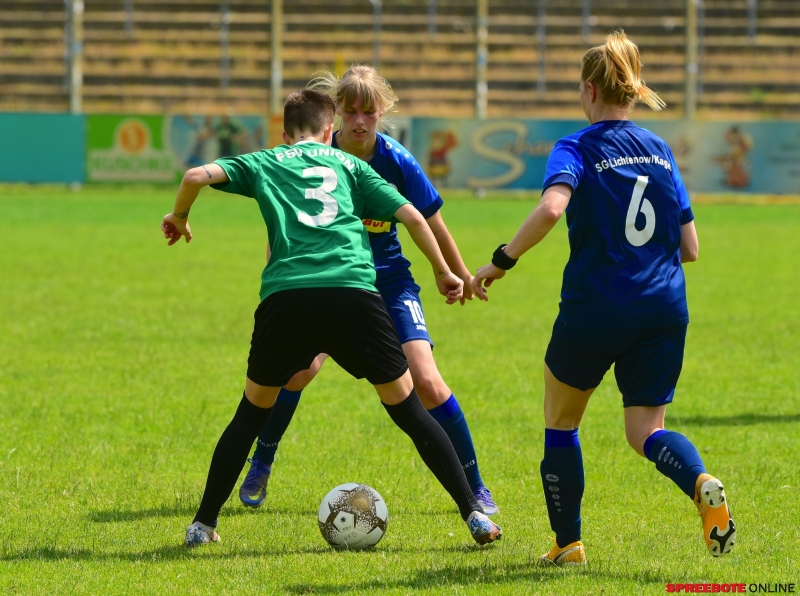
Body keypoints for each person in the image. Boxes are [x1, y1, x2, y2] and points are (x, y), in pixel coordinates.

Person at [161, 89, 502, 547]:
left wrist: (179, 216)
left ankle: (202, 525)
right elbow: (413, 217)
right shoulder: (351, 165)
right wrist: (442, 271)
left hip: (287, 298)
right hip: (352, 295)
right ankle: (474, 515)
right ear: (329, 130)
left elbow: (194, 175)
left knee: (250, 414)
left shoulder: (267, 160)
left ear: (285, 134)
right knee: (408, 409)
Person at [471, 30, 735, 566]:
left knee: (562, 422)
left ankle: (568, 544)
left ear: (590, 90)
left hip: (596, 307)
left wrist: (501, 261)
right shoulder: (661, 150)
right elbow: (690, 248)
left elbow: (551, 208)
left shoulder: (575, 147)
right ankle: (699, 480)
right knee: (647, 431)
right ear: (631, 91)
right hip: (663, 308)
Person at [238, 65, 499, 515]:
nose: (360, 121)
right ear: (335, 112)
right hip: (330, 279)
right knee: (297, 373)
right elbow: (285, 225)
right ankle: (262, 459)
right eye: (351, 111)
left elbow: (432, 222)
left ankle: (475, 486)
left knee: (428, 382)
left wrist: (458, 274)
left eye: (369, 112)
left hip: (389, 282)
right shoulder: (316, 154)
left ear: (383, 111)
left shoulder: (397, 161)